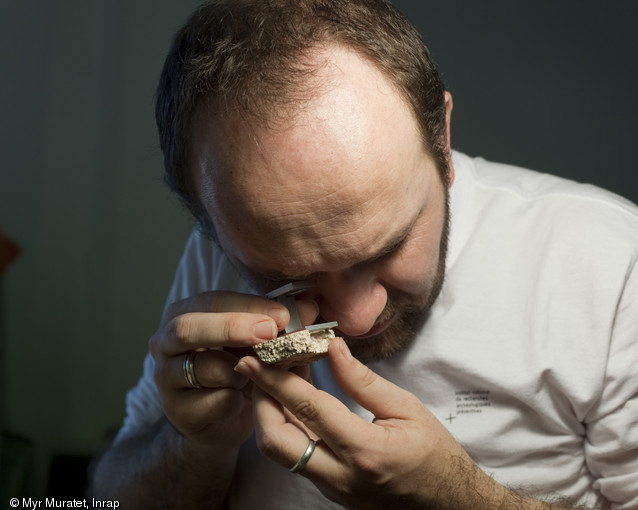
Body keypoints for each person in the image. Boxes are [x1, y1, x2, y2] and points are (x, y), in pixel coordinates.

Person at [90, 0, 638, 508]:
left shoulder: (609, 262)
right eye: (284, 275)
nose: (355, 318)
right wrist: (191, 446)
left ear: (442, 143)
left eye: (389, 247)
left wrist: (456, 497)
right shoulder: (223, 250)